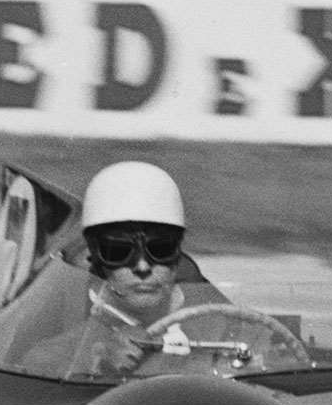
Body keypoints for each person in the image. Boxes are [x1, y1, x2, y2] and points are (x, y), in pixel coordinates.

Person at [74, 161, 225, 376]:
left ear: (178, 251)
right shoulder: (63, 353)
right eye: (118, 251)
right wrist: (96, 366)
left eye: (161, 248)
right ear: (96, 256)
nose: (143, 266)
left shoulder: (227, 329)